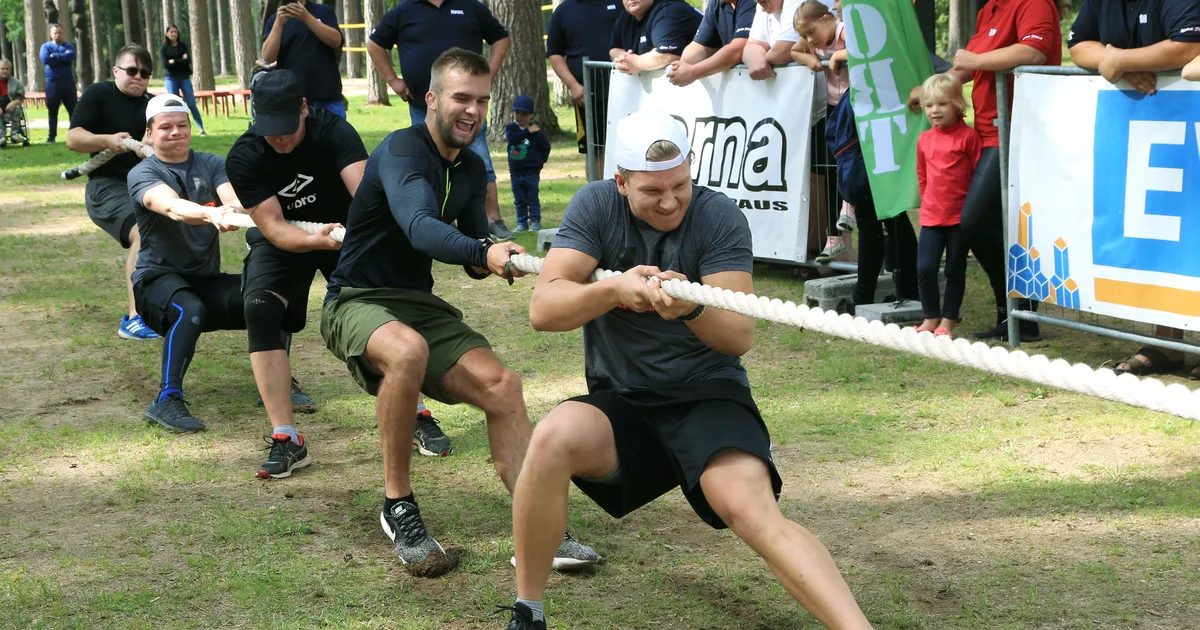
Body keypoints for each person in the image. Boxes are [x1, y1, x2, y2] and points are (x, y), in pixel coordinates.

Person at [499, 110, 871, 630]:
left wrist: (691, 309)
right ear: (620, 182)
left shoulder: (718, 216)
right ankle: (528, 613)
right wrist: (611, 289)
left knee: (751, 512)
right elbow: (544, 309)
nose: (670, 201)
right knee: (552, 436)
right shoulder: (595, 206)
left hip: (706, 395)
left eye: (680, 184)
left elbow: (738, 336)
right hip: (624, 401)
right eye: (652, 191)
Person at [321, 48, 599, 571]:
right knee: (407, 351)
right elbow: (421, 226)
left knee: (504, 386)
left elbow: (474, 239)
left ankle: (536, 525)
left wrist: (494, 254)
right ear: (431, 98)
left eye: (481, 100)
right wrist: (480, 252)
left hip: (415, 303)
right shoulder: (403, 151)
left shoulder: (470, 167)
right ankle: (397, 504)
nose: (472, 110)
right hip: (355, 300)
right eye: (460, 98)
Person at [222, 70, 373, 477]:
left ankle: (412, 409)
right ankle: (287, 437)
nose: (280, 138)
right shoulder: (244, 156)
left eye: (287, 128)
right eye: (270, 130)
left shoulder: (335, 132)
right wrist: (313, 242)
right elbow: (271, 227)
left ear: (304, 108)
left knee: (377, 305)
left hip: (346, 231)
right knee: (259, 307)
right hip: (290, 237)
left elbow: (364, 195)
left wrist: (353, 238)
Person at [907, 0, 1062, 341]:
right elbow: (964, 70)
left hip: (1013, 130)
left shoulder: (1034, 4)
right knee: (989, 224)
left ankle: (1019, 311)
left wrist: (976, 61)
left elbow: (1034, 53)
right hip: (988, 132)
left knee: (973, 220)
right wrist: (931, 88)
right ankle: (1016, 312)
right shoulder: (990, 8)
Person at [1068, 0, 1200, 378]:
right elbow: (1079, 46)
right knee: (1160, 244)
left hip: (1187, 122)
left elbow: (1189, 47)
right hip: (1152, 129)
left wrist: (1120, 60)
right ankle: (1166, 344)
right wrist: (1120, 65)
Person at [128, 94, 247, 432]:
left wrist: (234, 210)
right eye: (166, 127)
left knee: (267, 293)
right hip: (156, 282)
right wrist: (212, 214)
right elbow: (172, 207)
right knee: (189, 308)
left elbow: (233, 199)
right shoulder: (143, 173)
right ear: (149, 134)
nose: (176, 132)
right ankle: (166, 400)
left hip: (205, 278)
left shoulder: (211, 163)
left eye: (182, 125)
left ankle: (282, 382)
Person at [366, 0, 514, 240]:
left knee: (480, 162)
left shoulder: (470, 6)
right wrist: (392, 80)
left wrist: (487, 76)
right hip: (420, 104)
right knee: (425, 163)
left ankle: (492, 219)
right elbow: (374, 44)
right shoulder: (404, 10)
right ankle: (430, 220)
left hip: (466, 107)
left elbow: (502, 38)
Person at [67, 44, 160, 341]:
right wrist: (107, 140)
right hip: (106, 186)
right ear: (116, 71)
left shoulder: (153, 104)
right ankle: (135, 318)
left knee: (173, 230)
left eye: (145, 73)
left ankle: (164, 304)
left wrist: (155, 147)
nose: (138, 78)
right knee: (143, 233)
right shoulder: (99, 94)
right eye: (132, 71)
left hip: (144, 184)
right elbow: (73, 139)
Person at [913, 74, 980, 338]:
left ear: (957, 105)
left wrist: (971, 213)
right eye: (929, 105)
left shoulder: (969, 138)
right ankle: (930, 317)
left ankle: (948, 321)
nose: (935, 111)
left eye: (941, 104)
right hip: (932, 217)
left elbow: (977, 175)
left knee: (954, 268)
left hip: (959, 219)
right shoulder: (924, 139)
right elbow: (922, 175)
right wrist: (926, 202)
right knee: (925, 267)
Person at [792, 0, 854, 264]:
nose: (809, 39)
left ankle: (849, 207)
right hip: (831, 109)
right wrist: (808, 57)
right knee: (829, 168)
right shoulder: (814, 41)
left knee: (846, 164)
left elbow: (860, 50)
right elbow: (795, 51)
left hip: (852, 109)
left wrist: (838, 56)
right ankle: (834, 237)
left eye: (811, 33)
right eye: (805, 36)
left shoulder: (842, 30)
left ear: (827, 19)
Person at [546, 0, 627, 181]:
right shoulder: (564, 10)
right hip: (589, 95)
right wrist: (573, 85)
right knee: (596, 148)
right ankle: (599, 197)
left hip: (628, 90)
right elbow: (554, 53)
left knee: (630, 143)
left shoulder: (623, 3)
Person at [262, 0, 345, 118]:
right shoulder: (275, 19)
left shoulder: (323, 11)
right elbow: (268, 57)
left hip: (328, 99)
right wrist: (278, 24)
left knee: (336, 136)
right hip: (292, 101)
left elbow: (336, 41)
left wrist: (307, 18)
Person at [665, 0, 756, 87]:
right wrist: (681, 66)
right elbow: (700, 46)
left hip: (760, 86)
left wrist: (694, 72)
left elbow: (738, 49)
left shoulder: (751, 2)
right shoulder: (716, 3)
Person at [609, 0, 703, 75]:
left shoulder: (669, 10)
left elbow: (666, 56)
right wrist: (625, 60)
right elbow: (614, 48)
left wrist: (635, 62)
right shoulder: (626, 16)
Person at [505, 95, 550, 233]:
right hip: (515, 173)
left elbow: (546, 147)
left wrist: (539, 162)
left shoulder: (536, 132)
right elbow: (512, 140)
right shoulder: (511, 128)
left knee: (532, 198)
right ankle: (521, 222)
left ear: (531, 115)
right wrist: (526, 132)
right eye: (517, 113)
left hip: (531, 173)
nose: (520, 117)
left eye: (524, 114)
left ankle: (535, 221)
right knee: (519, 199)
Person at [160, 25, 207, 136]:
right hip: (171, 78)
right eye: (171, 32)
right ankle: (176, 130)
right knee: (174, 105)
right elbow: (166, 65)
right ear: (167, 34)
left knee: (191, 103)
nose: (174, 34)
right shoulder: (164, 48)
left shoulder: (183, 46)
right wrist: (181, 60)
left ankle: (201, 128)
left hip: (184, 77)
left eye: (176, 32)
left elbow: (188, 61)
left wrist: (174, 61)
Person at [39, 23, 76, 144]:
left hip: (68, 82)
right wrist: (62, 56)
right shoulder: (46, 46)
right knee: (52, 110)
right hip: (52, 82)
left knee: (73, 110)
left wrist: (54, 56)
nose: (57, 35)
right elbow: (45, 59)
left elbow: (71, 56)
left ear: (63, 33)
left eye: (59, 33)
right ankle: (51, 137)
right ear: (51, 34)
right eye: (55, 33)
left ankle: (74, 135)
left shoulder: (69, 45)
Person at [0, 59, 27, 146]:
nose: (5, 71)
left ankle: (14, 134)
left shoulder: (16, 83)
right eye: (2, 69)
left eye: (7, 69)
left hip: (10, 109)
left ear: (10, 70)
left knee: (17, 107)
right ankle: (1, 137)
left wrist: (14, 103)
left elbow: (21, 97)